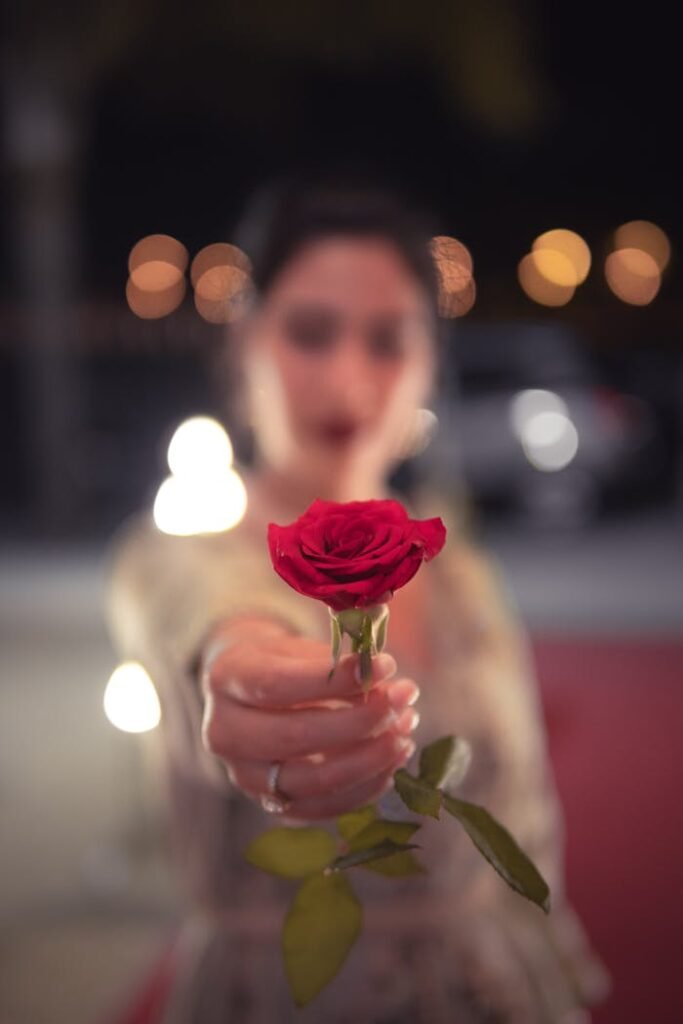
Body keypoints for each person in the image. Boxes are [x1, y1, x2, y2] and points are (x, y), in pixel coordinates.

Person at [104, 174, 610, 1023]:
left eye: (386, 340)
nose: (347, 376)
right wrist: (241, 681)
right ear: (243, 347)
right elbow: (208, 623)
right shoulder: (179, 551)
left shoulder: (460, 571)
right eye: (310, 332)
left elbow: (529, 823)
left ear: (428, 366)